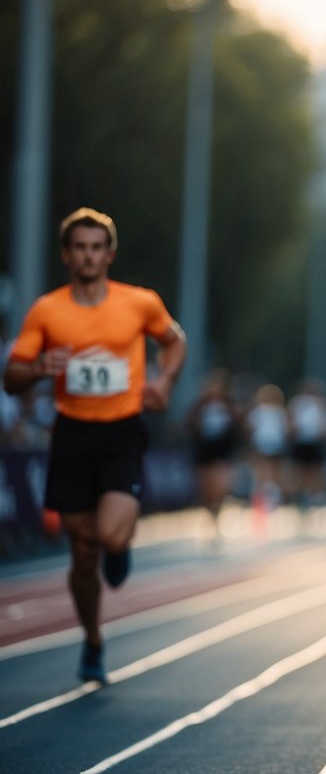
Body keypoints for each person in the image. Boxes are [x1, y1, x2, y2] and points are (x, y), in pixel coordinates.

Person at [2, 208, 186, 683]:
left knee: (109, 538)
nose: (88, 256)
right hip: (72, 433)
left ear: (109, 254)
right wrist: (42, 367)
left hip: (122, 430)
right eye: (79, 247)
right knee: (82, 551)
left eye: (95, 247)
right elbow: (11, 378)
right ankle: (92, 639)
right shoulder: (48, 310)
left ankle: (120, 543)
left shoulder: (138, 303)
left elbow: (174, 340)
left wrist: (163, 381)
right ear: (67, 255)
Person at [186, 369, 242, 542]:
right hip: (204, 451)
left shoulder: (228, 405)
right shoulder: (200, 406)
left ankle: (217, 515)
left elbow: (239, 423)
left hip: (223, 451)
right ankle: (211, 515)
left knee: (221, 486)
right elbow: (189, 425)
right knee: (207, 490)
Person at [288, 379, 326, 513]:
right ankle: (302, 495)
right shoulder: (298, 404)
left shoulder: (319, 404)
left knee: (314, 471)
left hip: (312, 442)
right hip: (302, 442)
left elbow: (324, 426)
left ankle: (314, 496)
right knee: (301, 471)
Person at [246, 384, 289, 515]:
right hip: (267, 443)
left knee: (268, 473)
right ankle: (266, 499)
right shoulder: (267, 412)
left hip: (269, 444)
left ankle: (270, 498)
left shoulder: (274, 412)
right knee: (266, 473)